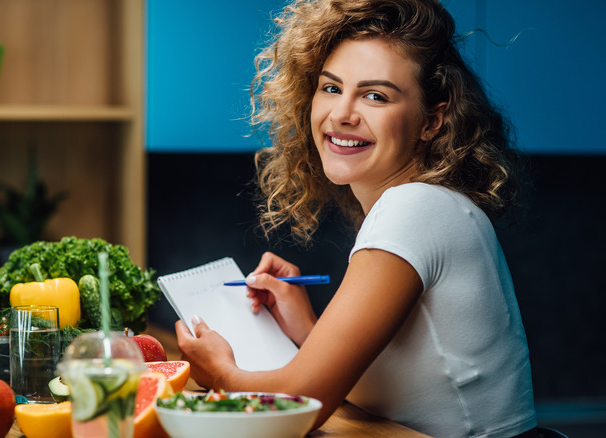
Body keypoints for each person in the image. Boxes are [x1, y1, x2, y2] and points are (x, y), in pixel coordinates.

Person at [174, 0, 539, 437]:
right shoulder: (432, 205)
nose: (342, 113)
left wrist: (221, 374)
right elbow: (399, 387)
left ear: (432, 120)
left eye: (375, 95)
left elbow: (299, 405)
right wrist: (309, 329)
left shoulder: (415, 208)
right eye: (331, 88)